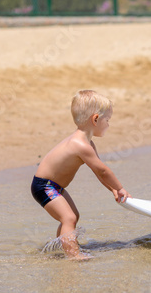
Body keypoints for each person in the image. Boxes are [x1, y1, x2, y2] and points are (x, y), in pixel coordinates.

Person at [31, 90, 131, 260]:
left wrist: (112, 189)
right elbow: (104, 171)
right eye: (108, 120)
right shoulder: (80, 145)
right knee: (68, 217)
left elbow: (98, 172)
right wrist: (120, 188)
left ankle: (60, 249)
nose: (109, 124)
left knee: (72, 217)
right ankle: (73, 255)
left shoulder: (87, 143)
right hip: (44, 186)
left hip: (54, 186)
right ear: (96, 119)